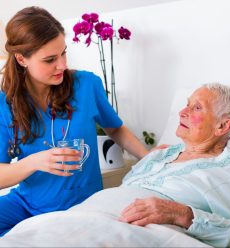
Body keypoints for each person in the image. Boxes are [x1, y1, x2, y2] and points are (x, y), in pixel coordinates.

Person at [0, 6, 151, 236]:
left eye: (63, 53)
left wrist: (151, 159)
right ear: (22, 59)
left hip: (81, 207)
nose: (61, 65)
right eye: (50, 59)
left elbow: (116, 129)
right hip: (27, 205)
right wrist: (33, 162)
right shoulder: (6, 104)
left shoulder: (86, 85)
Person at [117, 83, 230, 247]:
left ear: (222, 126)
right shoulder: (159, 155)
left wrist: (181, 214)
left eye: (197, 107)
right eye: (187, 105)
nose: (182, 112)